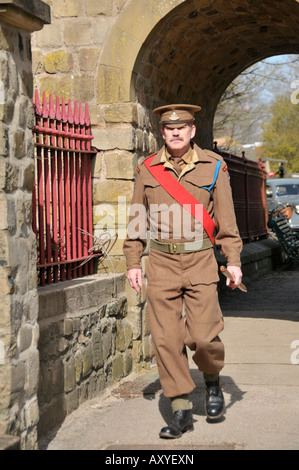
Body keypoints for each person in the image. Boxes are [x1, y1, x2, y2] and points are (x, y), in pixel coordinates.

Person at [123, 104, 243, 439]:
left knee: (203, 337)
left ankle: (212, 380)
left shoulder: (214, 166)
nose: (176, 132)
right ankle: (181, 409)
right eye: (169, 128)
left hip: (201, 261)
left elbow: (227, 221)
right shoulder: (147, 169)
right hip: (160, 263)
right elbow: (136, 219)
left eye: (183, 127)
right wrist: (134, 262)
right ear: (162, 133)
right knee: (166, 339)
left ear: (192, 131)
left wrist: (232, 259)